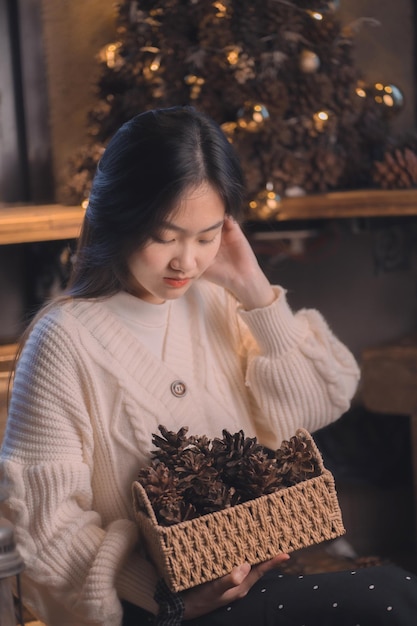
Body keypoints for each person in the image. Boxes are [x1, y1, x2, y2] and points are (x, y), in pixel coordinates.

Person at [0, 106, 416, 626]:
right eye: (165, 236)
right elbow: (46, 526)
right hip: (153, 612)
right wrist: (163, 596)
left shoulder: (215, 301)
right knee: (393, 596)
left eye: (206, 236)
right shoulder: (63, 341)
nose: (187, 263)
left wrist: (256, 293)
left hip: (258, 585)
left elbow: (323, 400)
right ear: (120, 218)